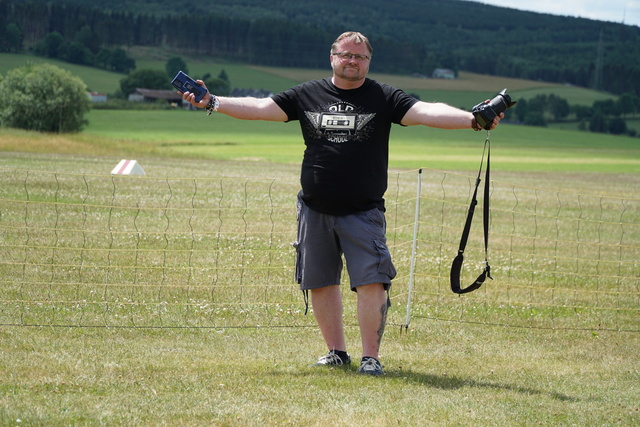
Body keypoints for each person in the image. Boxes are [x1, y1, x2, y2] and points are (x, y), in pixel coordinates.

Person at [182, 31, 502, 376]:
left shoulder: (384, 97)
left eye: (360, 57)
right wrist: (213, 101)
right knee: (320, 281)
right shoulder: (306, 94)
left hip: (363, 209)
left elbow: (427, 111)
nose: (352, 61)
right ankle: (336, 352)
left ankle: (371, 358)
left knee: (371, 282)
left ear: (368, 62)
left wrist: (473, 119)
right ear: (332, 57)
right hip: (314, 207)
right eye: (346, 55)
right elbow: (259, 108)